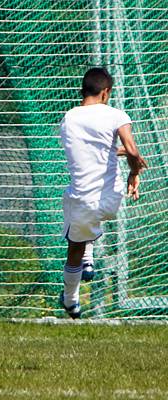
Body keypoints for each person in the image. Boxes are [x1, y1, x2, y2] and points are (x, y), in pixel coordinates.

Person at [59, 67, 147, 318]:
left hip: (83, 201)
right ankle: (88, 254)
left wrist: (129, 157)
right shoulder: (115, 115)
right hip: (113, 199)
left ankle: (71, 299)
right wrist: (134, 172)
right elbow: (130, 149)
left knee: (73, 220)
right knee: (88, 214)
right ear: (106, 92)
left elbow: (86, 152)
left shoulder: (69, 119)